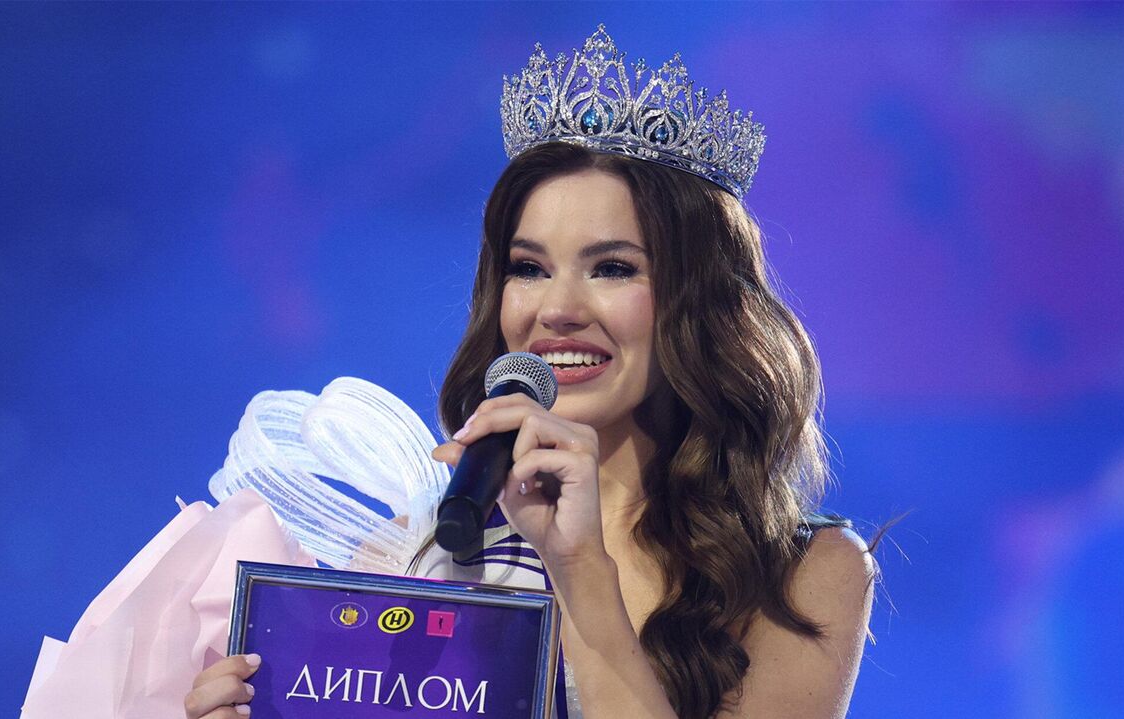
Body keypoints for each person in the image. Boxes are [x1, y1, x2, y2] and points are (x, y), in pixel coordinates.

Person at [185, 26, 877, 719]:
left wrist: (579, 568)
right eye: (529, 268)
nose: (557, 310)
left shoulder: (804, 574)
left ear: (698, 301)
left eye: (612, 268)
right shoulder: (418, 549)